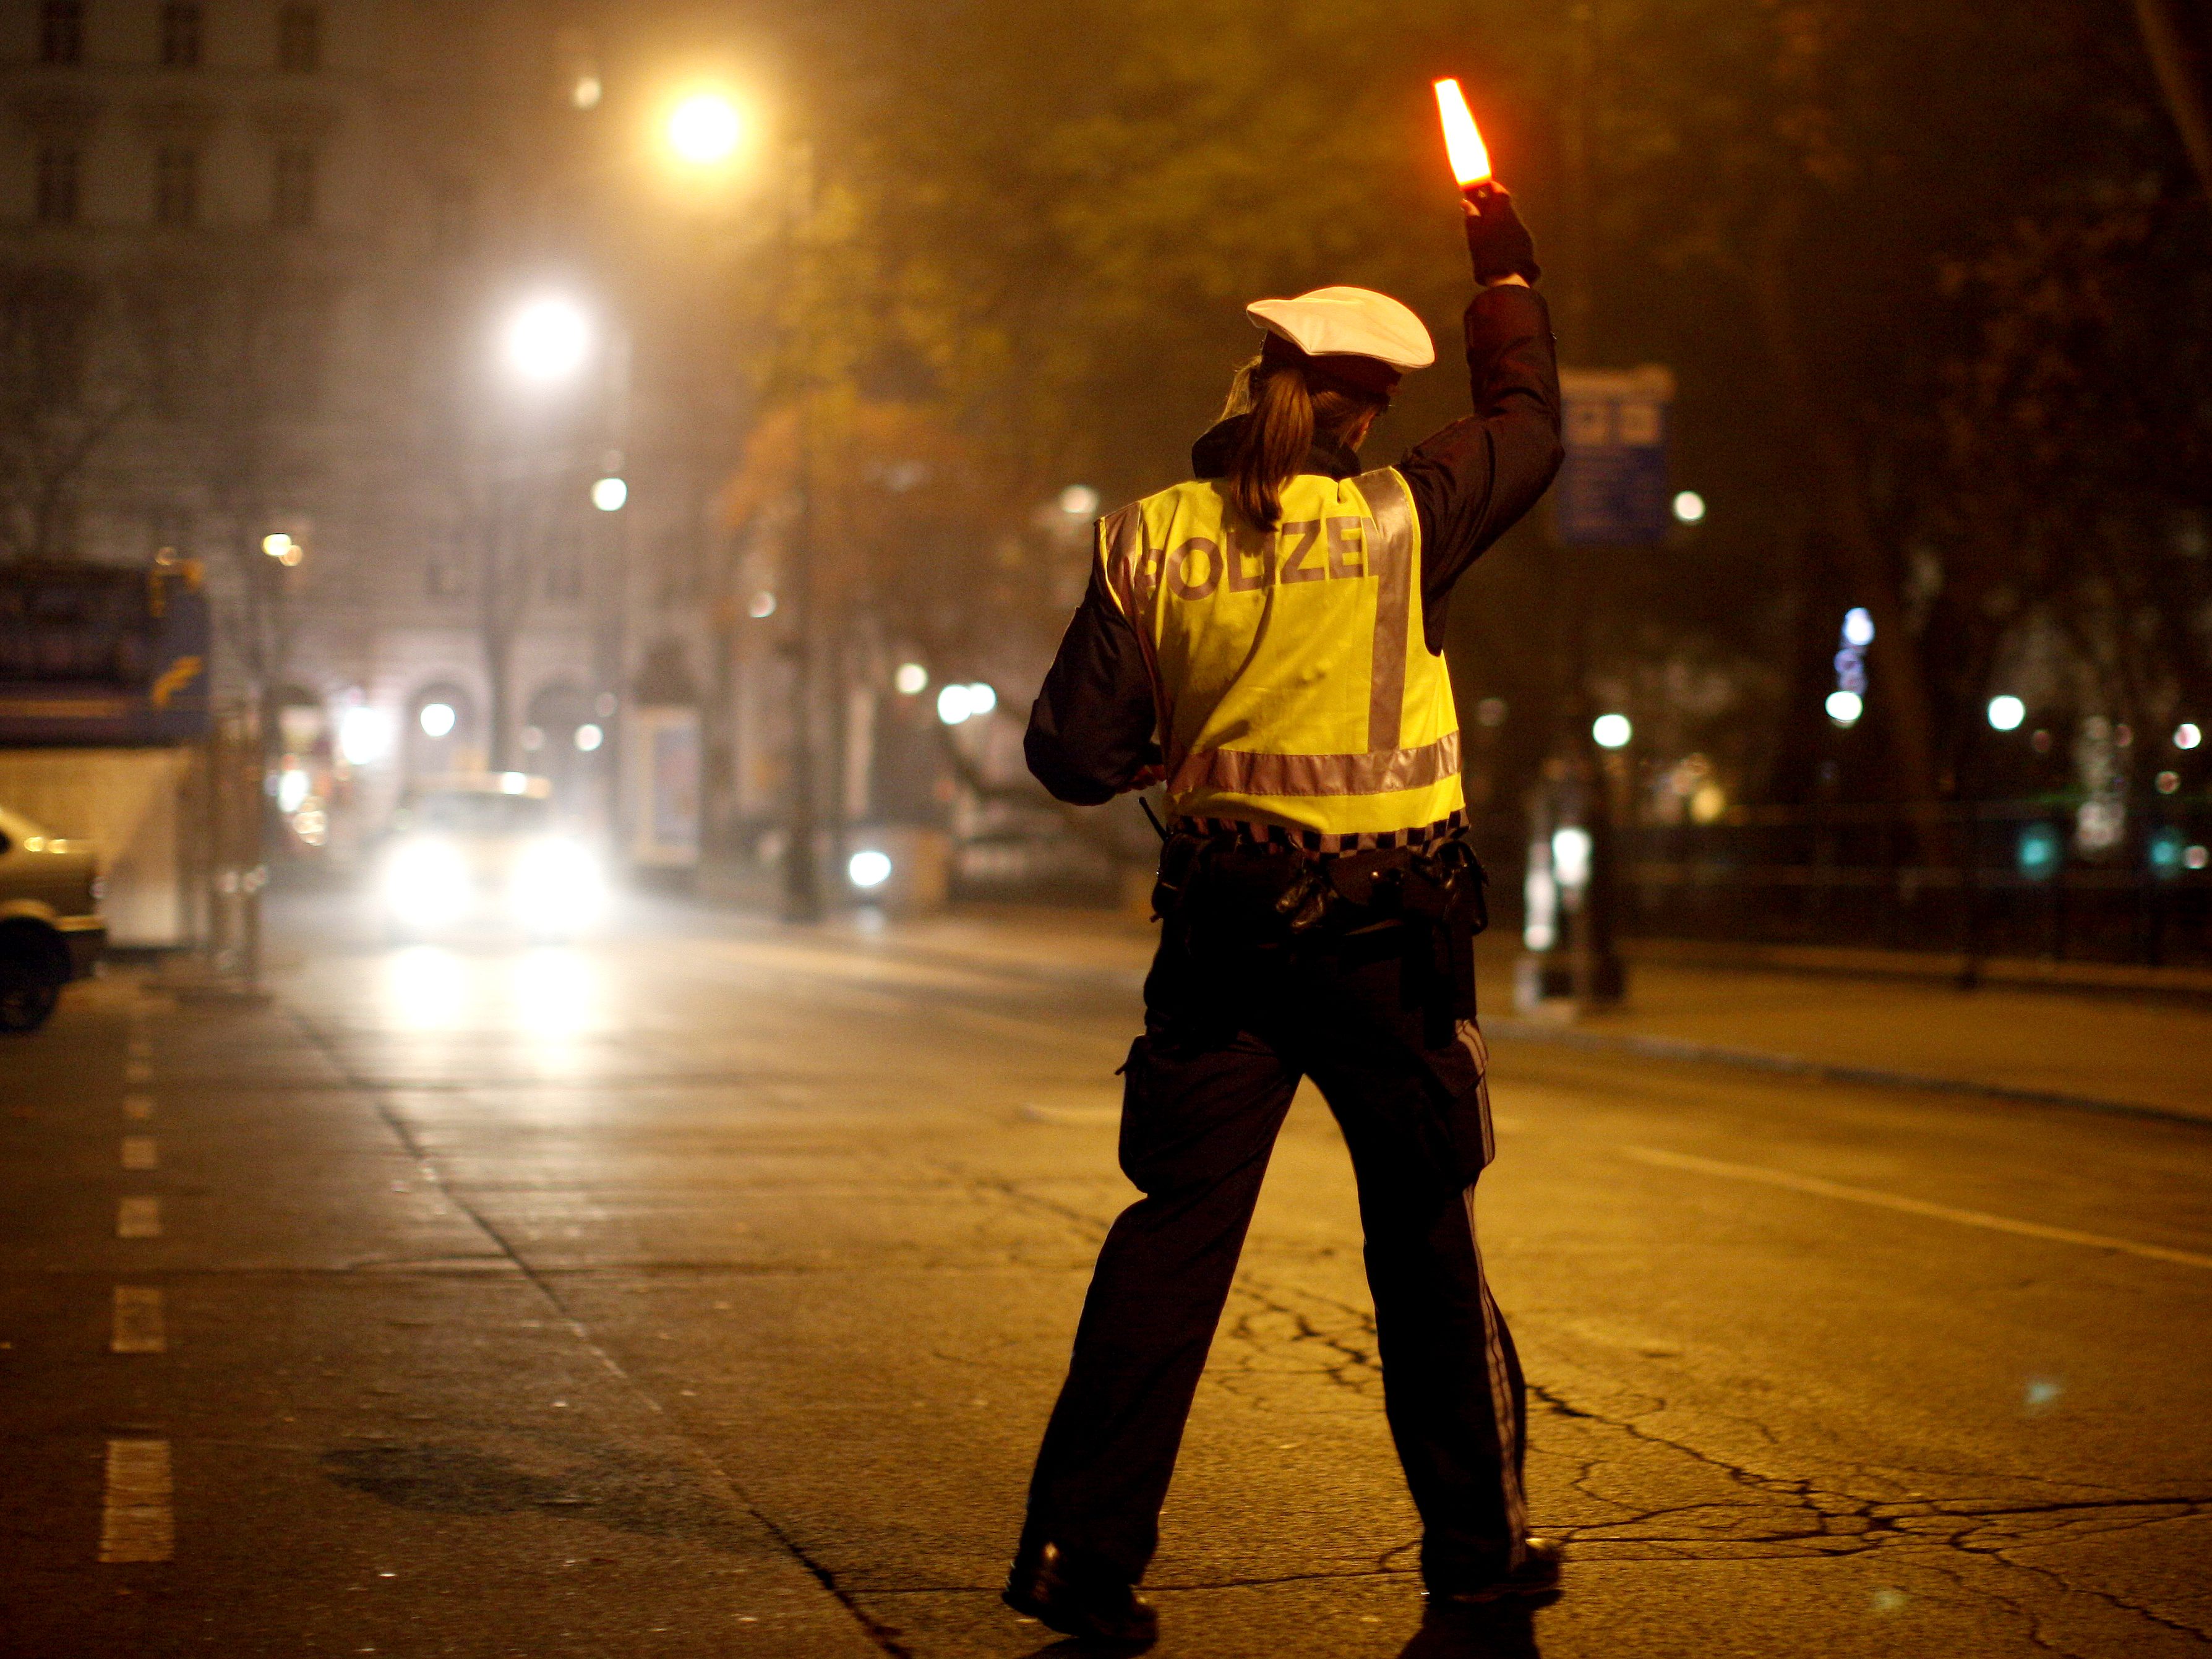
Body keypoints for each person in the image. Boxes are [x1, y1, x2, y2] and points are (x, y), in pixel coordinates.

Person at [1003, 182, 1566, 1649]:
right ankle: (1472, 1562)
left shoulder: (1151, 537)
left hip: (1224, 949)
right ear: (1366, 411)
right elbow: (1531, 422)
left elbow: (1067, 753)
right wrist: (1500, 266)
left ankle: (1082, 1555)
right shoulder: (1403, 520)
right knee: (1424, 1248)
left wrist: (1159, 749)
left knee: (1171, 1243)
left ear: (1257, 387)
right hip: (1389, 952)